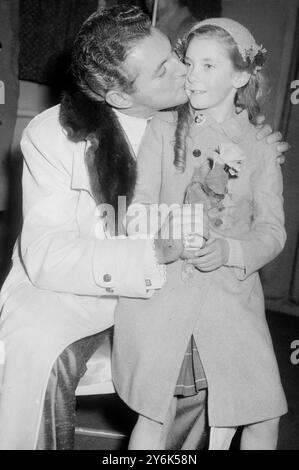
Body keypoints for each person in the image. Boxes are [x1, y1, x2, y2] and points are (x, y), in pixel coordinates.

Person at [0, 5, 287, 450]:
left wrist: (252, 150)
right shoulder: (54, 136)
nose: (184, 72)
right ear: (120, 97)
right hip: (72, 290)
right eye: (164, 70)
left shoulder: (190, 121)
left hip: (173, 283)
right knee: (37, 351)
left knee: (208, 353)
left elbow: (247, 198)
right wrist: (153, 250)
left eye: (177, 55)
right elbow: (48, 256)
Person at [112, 18, 288, 450]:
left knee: (264, 413)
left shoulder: (261, 146)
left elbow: (272, 231)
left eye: (209, 66)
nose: (192, 76)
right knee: (155, 413)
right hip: (165, 292)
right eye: (189, 63)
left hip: (231, 298)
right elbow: (138, 209)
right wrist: (165, 236)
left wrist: (229, 249)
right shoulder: (164, 128)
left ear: (241, 75)